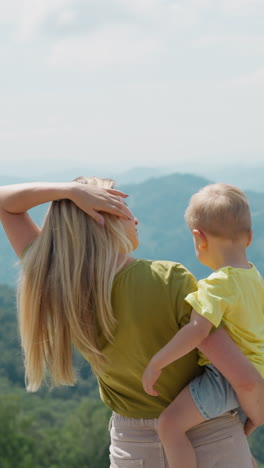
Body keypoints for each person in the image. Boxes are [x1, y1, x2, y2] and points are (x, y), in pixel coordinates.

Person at [0, 177, 263, 468]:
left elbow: (6, 204)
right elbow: (245, 379)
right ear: (99, 219)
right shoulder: (169, 280)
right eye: (122, 208)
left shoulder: (56, 284)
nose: (135, 218)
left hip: (131, 449)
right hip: (211, 438)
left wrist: (69, 192)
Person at [142, 183, 264, 468]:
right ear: (249, 238)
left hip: (226, 379)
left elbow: (197, 331)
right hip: (257, 371)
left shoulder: (216, 285)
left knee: (169, 427)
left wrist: (157, 363)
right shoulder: (255, 278)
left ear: (199, 238)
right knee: (235, 442)